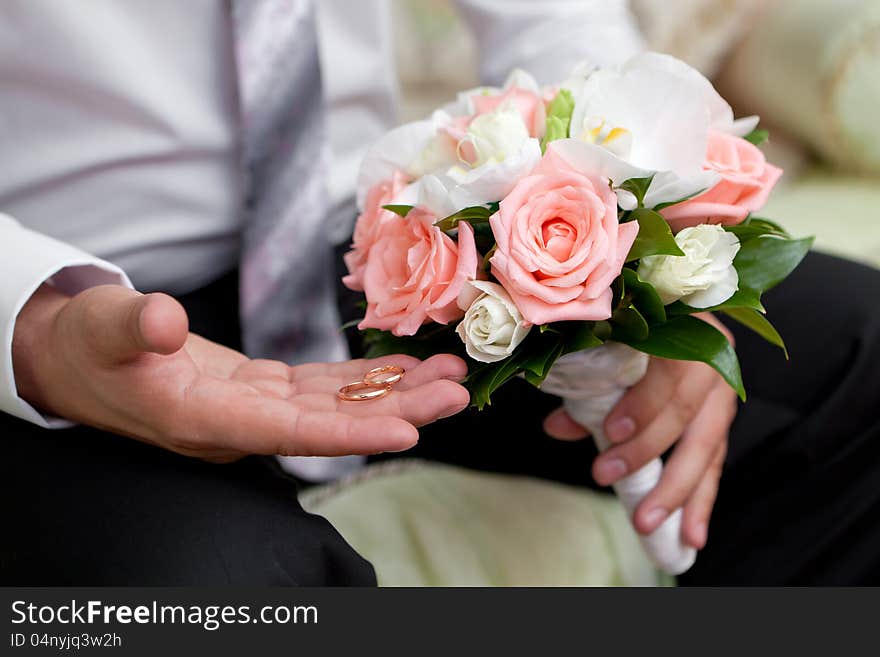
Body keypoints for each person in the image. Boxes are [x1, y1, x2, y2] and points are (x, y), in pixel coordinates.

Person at [1, 0, 878, 586]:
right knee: (227, 583)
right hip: (70, 303)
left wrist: (648, 229)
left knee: (861, 360)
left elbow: (552, 19)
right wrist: (34, 325)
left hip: (381, 246)